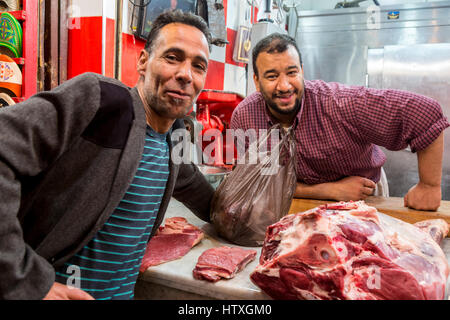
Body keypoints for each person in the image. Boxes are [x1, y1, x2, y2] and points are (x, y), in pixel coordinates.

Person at [0, 10, 214, 300]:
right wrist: (26, 282)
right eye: (172, 57)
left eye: (198, 66)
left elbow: (211, 202)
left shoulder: (173, 140)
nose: (185, 74)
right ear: (143, 61)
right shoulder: (101, 101)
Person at [230, 33, 449, 211]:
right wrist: (329, 190)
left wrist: (429, 186)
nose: (284, 85)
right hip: (294, 201)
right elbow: (255, 184)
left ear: (302, 72)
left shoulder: (340, 103)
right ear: (256, 81)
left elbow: (425, 112)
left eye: (292, 72)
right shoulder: (245, 117)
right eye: (271, 76)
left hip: (363, 198)